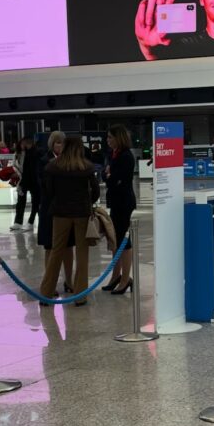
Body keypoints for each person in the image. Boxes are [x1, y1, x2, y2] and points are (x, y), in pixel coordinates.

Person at [39, 137, 100, 305]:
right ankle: (80, 296)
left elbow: (47, 190)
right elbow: (95, 192)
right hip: (81, 214)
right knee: (82, 254)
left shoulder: (53, 166)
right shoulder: (86, 167)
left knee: (56, 252)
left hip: (60, 214)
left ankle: (46, 293)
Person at [36, 131, 74, 293]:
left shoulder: (70, 161)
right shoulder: (43, 161)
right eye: (58, 143)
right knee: (50, 247)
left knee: (68, 246)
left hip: (67, 209)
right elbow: (42, 186)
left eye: (63, 143)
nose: (60, 146)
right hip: (49, 210)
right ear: (52, 144)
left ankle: (69, 280)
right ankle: (50, 282)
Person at [103, 124, 136, 294]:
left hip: (124, 202)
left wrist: (109, 177)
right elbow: (106, 175)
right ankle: (116, 275)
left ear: (118, 138)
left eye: (110, 137)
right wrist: (108, 176)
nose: (107, 140)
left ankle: (125, 278)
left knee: (123, 239)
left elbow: (116, 180)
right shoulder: (113, 155)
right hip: (115, 201)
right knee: (114, 238)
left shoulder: (126, 156)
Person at [11, 137, 41, 232]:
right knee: (20, 201)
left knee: (35, 202)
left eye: (26, 144)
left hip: (33, 181)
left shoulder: (35, 153)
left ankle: (31, 222)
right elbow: (14, 165)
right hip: (22, 180)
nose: (23, 145)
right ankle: (18, 222)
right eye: (22, 144)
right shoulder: (17, 154)